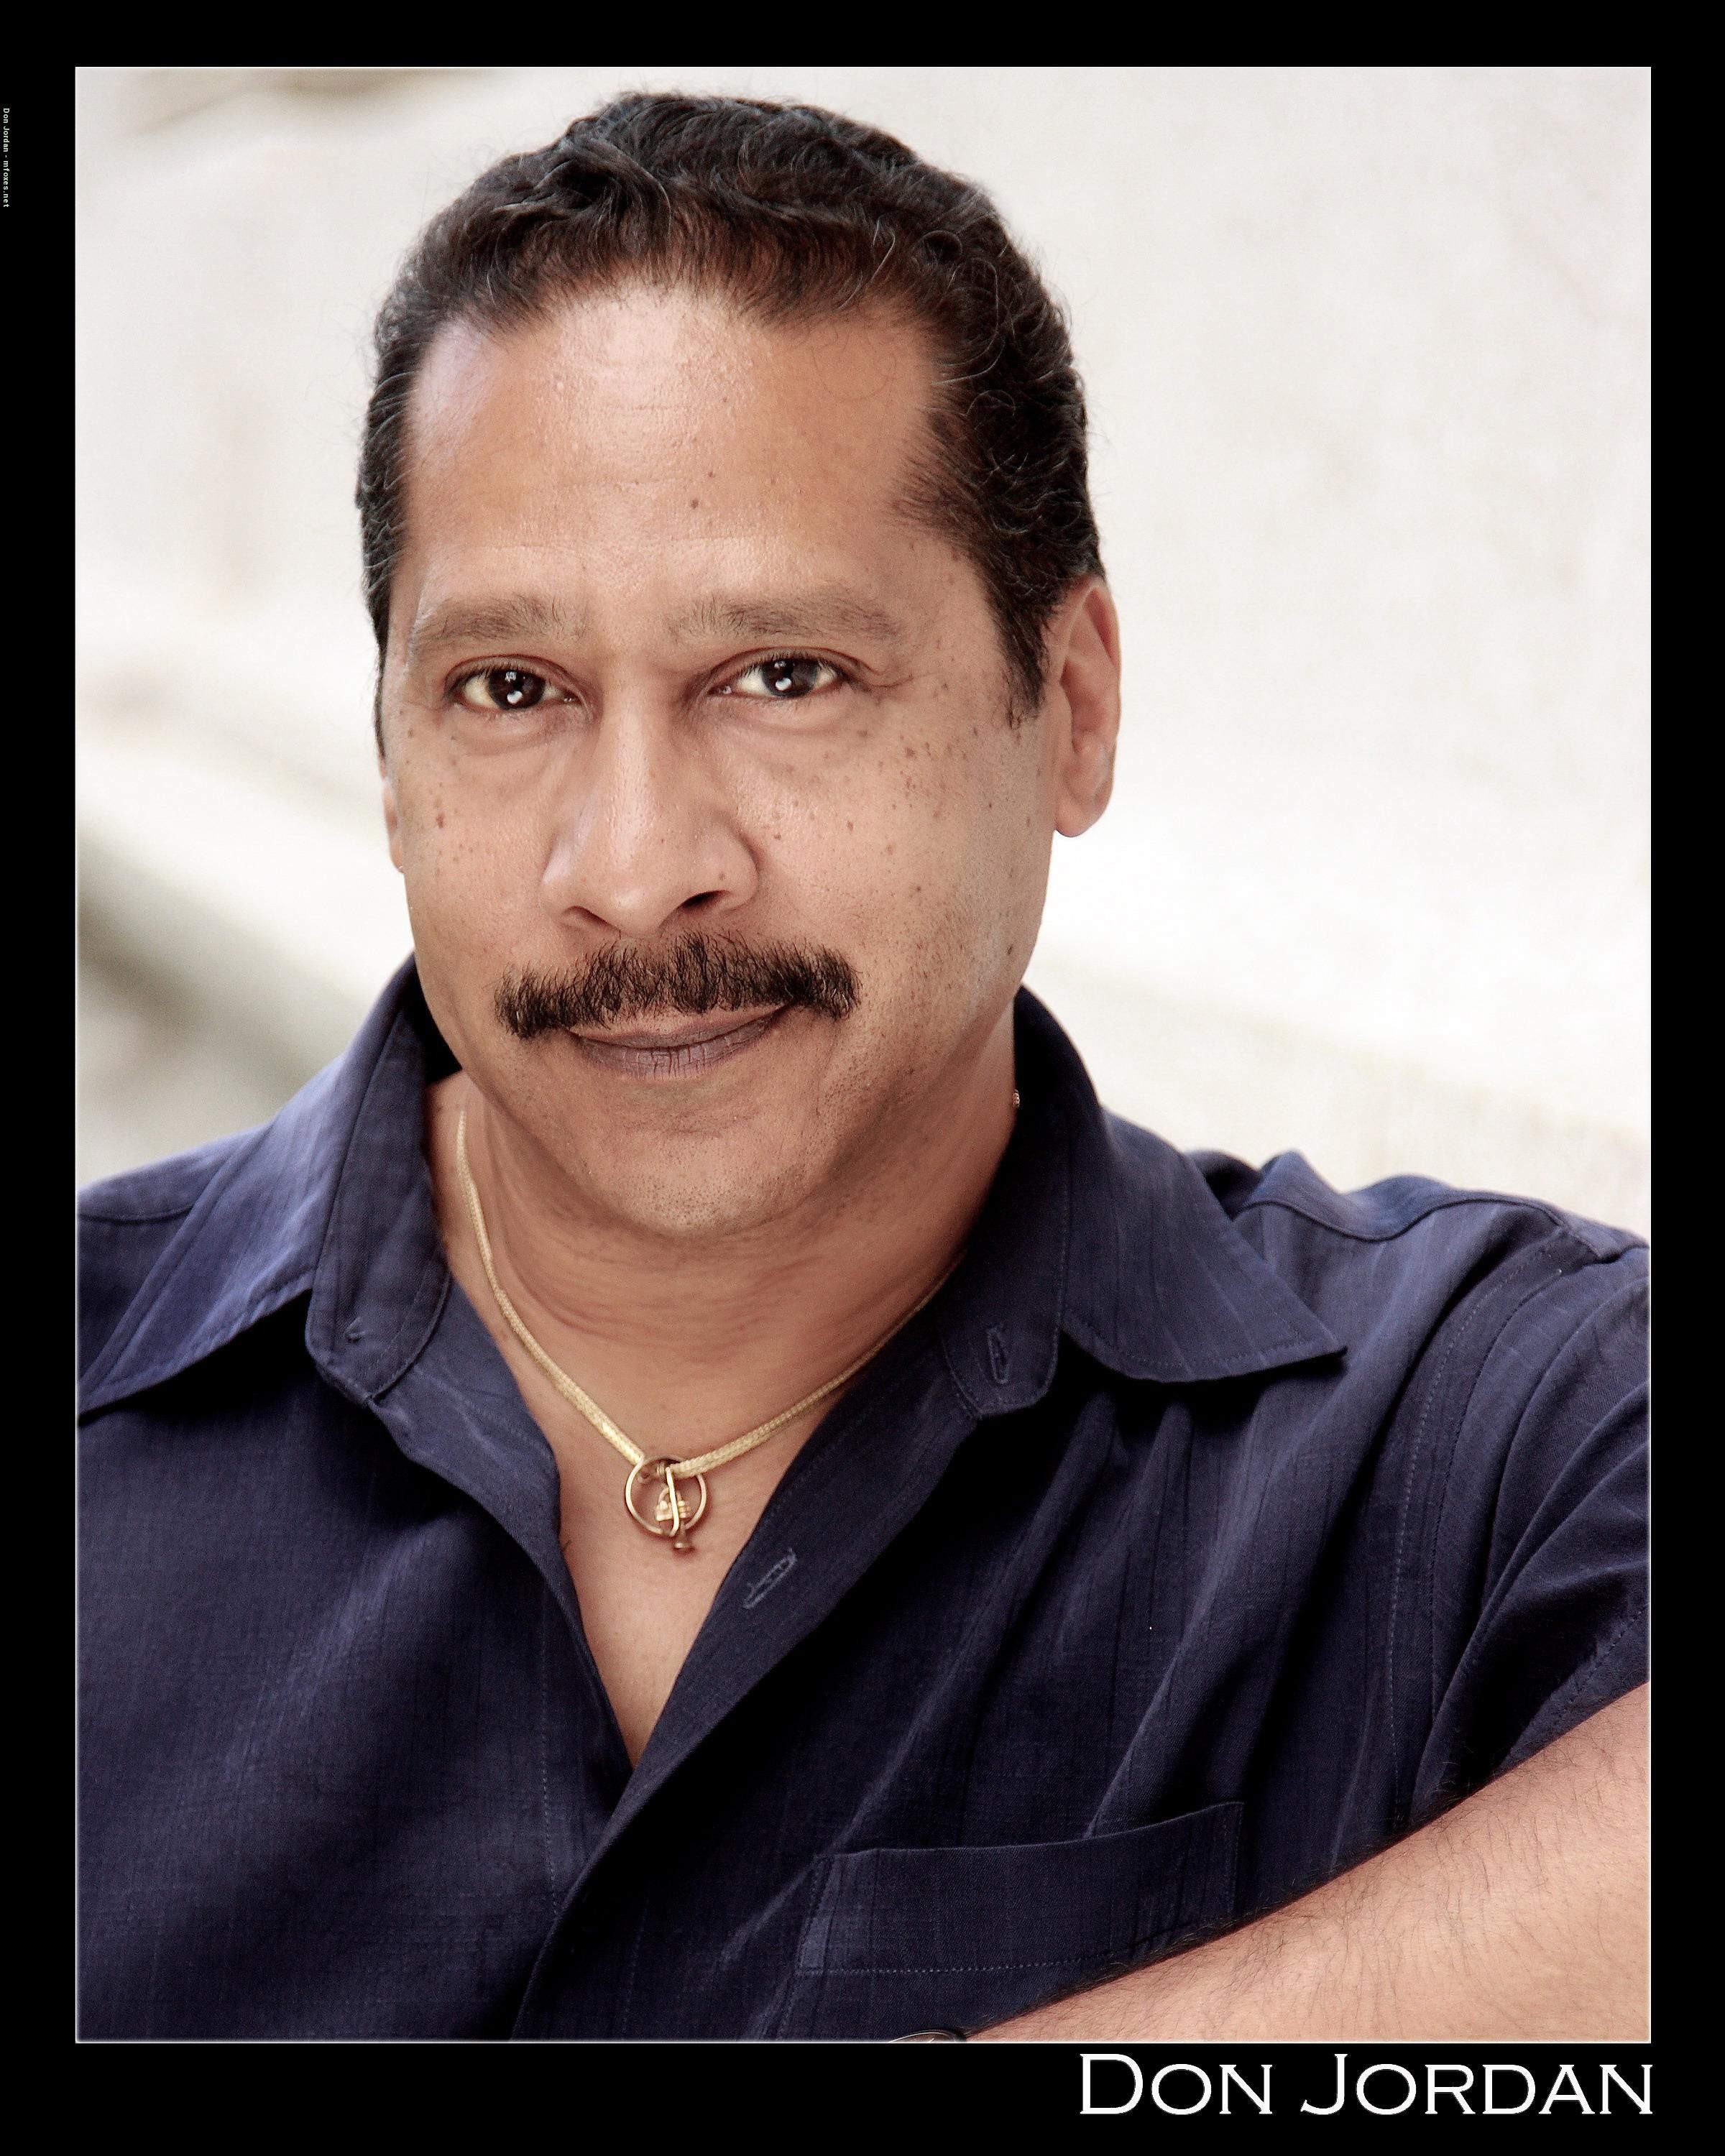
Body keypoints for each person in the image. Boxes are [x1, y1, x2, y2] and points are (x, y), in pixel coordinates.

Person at [77, 93, 1647, 2042]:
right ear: (391, 756)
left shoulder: (1459, 1434)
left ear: (1070, 709)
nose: (636, 866)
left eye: (784, 676)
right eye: (510, 690)